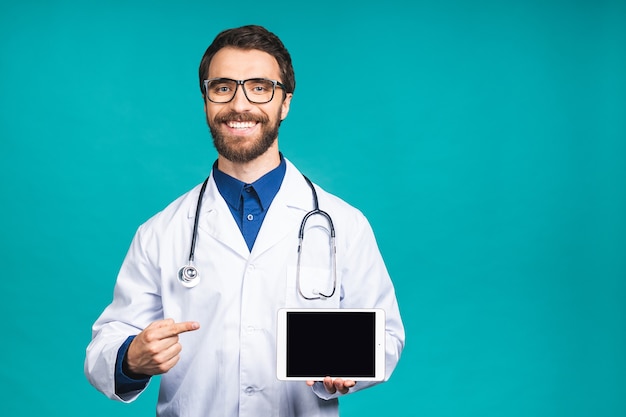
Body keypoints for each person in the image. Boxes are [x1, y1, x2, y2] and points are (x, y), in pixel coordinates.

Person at [84, 24, 405, 417]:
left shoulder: (344, 223)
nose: (240, 104)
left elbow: (386, 337)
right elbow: (105, 344)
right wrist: (131, 358)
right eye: (223, 88)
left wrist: (345, 365)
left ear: (284, 102)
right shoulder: (160, 231)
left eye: (259, 87)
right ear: (206, 99)